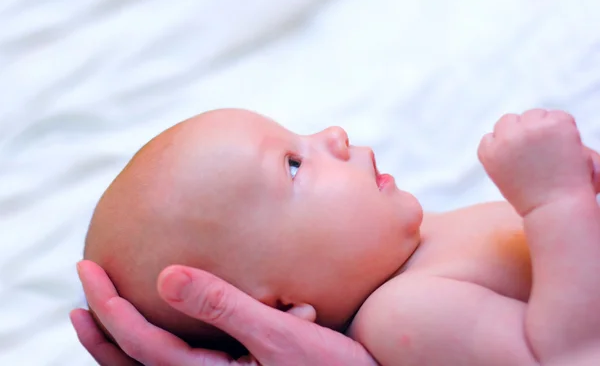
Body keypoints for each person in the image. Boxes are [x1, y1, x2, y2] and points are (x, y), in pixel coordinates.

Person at [73, 108, 600, 365]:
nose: (334, 135)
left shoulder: (414, 247)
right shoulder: (404, 313)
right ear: (281, 305)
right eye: (295, 165)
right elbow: (568, 354)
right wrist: (557, 201)